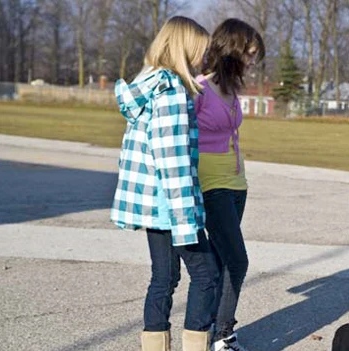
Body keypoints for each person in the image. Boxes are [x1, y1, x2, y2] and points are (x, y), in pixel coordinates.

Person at [111, 16, 219, 351]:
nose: (203, 59)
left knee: (164, 277)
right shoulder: (172, 91)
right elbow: (172, 160)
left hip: (151, 202)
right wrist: (187, 220)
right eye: (200, 52)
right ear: (184, 49)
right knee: (207, 275)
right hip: (171, 204)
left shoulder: (148, 82)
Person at [193, 18, 265, 351]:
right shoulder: (199, 88)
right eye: (248, 54)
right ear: (231, 50)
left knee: (224, 260)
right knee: (238, 260)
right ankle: (223, 334)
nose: (251, 61)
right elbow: (179, 137)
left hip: (237, 183)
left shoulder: (232, 90)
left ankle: (209, 333)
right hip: (210, 183)